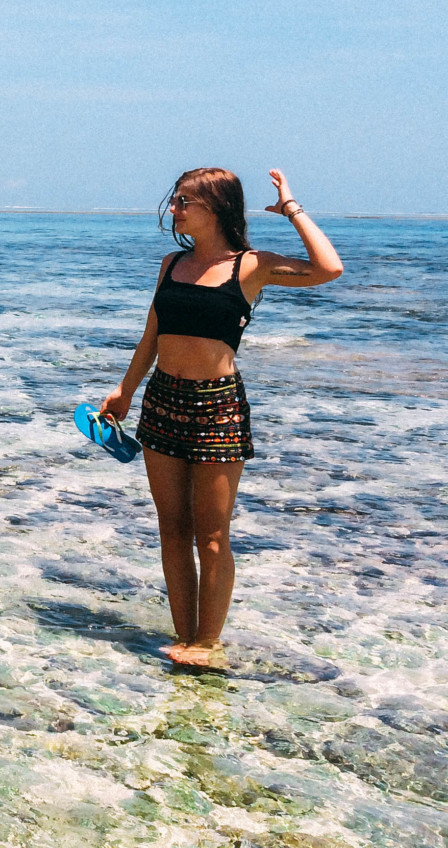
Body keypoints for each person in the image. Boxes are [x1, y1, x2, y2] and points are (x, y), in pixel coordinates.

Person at [99, 168, 342, 668]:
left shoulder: (251, 266)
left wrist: (291, 209)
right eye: (175, 200)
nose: (174, 210)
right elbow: (152, 335)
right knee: (172, 530)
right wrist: (126, 390)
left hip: (218, 408)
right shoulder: (172, 264)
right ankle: (183, 635)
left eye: (184, 202)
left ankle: (207, 642)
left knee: (212, 536)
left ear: (216, 208)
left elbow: (328, 268)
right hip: (162, 402)